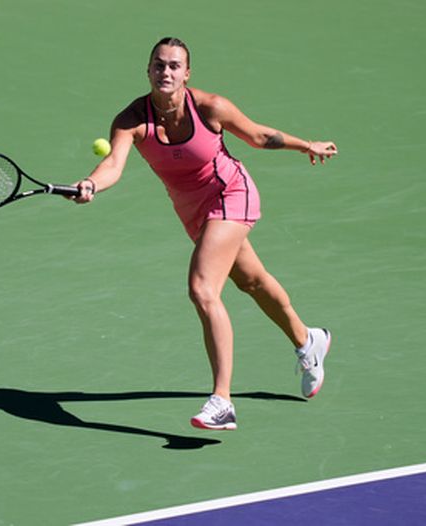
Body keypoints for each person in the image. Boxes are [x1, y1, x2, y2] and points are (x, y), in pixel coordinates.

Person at [71, 37, 338, 431]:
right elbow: (113, 163)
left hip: (231, 193)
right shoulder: (131, 120)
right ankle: (307, 341)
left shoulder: (210, 106)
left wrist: (305, 145)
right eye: (159, 65)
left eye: (174, 66)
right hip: (193, 212)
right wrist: (93, 183)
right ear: (148, 71)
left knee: (202, 288)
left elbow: (259, 137)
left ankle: (222, 400)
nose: (166, 72)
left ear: (187, 73)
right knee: (252, 281)